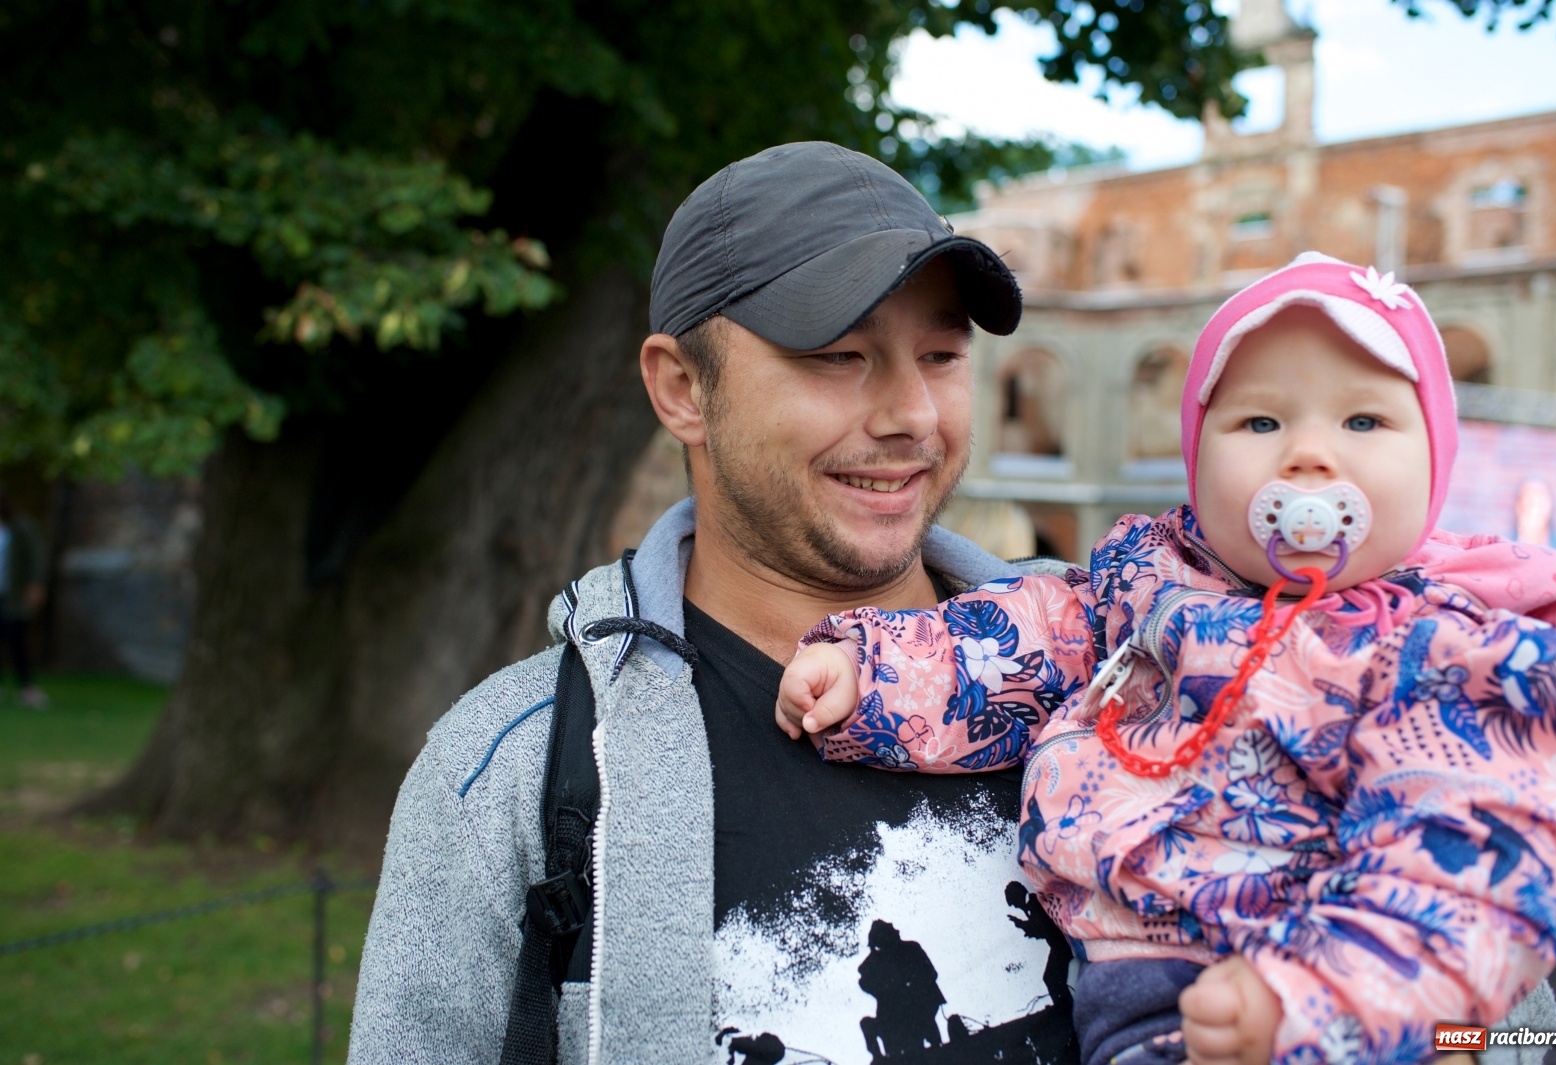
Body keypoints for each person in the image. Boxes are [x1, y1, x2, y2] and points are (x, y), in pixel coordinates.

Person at [350, 141, 1085, 1064]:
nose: (914, 415)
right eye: (839, 355)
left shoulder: (1108, 688)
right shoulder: (511, 769)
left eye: (940, 354)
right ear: (681, 388)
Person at [778, 253, 1556, 1065]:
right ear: (1198, 458)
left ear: (1435, 462)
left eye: (1363, 422)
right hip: (1129, 989)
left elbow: (1476, 849)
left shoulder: (1453, 650)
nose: (1309, 455)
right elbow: (1016, 641)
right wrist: (874, 672)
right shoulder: (1142, 584)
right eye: (1261, 422)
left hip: (1315, 984)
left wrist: (1319, 1001)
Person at [0, 488, 48, 708]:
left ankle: (26, 687)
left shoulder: (21, 527)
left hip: (14, 594)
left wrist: (36, 585)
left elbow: (37, 557)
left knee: (17, 639)